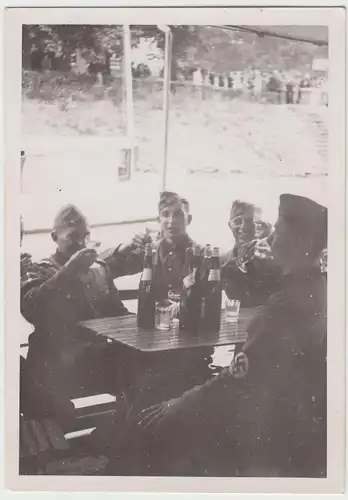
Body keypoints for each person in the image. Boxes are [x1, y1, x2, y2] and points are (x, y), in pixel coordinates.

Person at [112, 194, 327, 477]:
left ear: (300, 244)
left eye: (279, 233)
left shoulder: (284, 310)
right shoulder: (318, 288)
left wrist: (179, 404)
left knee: (149, 415)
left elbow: (237, 380)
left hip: (265, 426)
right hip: (289, 416)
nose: (271, 240)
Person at [20, 204, 148, 430]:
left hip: (95, 359)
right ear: (54, 237)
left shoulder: (99, 269)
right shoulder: (40, 270)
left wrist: (146, 329)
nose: (81, 242)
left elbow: (118, 313)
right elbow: (32, 307)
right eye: (72, 236)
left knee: (144, 363)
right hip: (55, 363)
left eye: (85, 235)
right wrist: (68, 271)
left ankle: (127, 429)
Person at [221, 200, 280, 307]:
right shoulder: (222, 262)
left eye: (251, 222)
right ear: (230, 225)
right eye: (237, 221)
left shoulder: (276, 261)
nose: (244, 227)